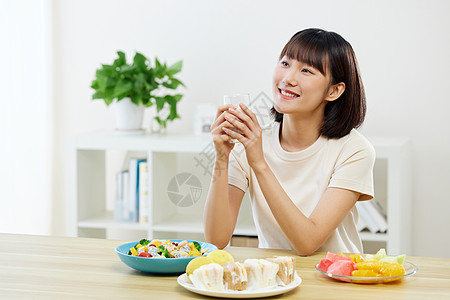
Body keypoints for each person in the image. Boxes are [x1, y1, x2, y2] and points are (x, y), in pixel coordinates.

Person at [203, 28, 375, 256]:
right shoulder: (250, 142)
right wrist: (222, 157)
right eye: (285, 63)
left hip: (336, 282)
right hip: (273, 281)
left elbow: (307, 243)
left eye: (306, 70)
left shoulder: (354, 150)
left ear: (334, 90)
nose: (288, 78)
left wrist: (259, 164)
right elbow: (217, 239)